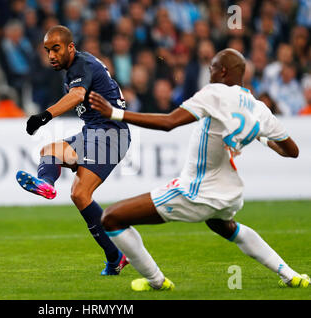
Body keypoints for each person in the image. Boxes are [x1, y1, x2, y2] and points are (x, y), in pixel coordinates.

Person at [88, 48, 309, 291]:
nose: (209, 72)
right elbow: (292, 151)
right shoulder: (259, 108)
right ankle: (290, 275)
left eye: (212, 67)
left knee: (111, 218)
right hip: (229, 194)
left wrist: (115, 113)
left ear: (222, 71)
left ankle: (157, 281)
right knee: (224, 226)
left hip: (195, 190)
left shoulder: (214, 93)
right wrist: (263, 138)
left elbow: (169, 122)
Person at [16, 25, 131, 275]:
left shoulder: (80, 65)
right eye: (47, 51)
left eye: (56, 49)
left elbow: (78, 95)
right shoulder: (76, 66)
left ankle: (116, 255)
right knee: (50, 151)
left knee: (80, 194)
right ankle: (46, 184)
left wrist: (43, 117)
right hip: (94, 132)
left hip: (110, 134)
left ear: (70, 46)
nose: (51, 56)